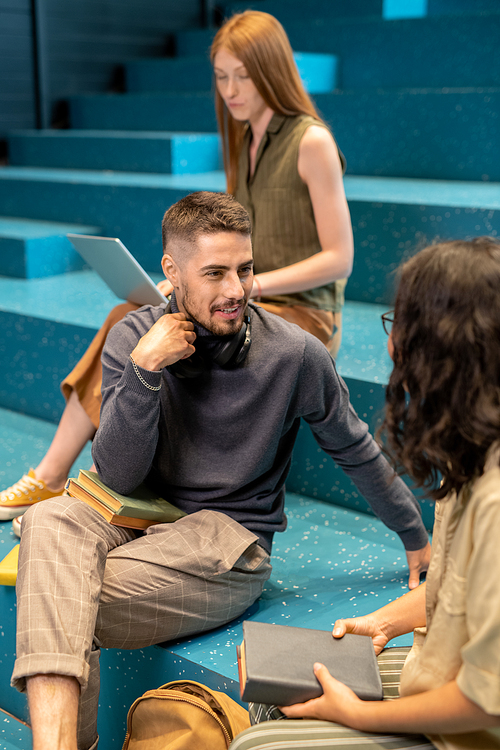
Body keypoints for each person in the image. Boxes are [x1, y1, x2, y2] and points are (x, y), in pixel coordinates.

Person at [12, 191, 429, 750]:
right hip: (137, 519)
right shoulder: (134, 340)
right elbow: (115, 473)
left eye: (245, 269)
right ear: (171, 270)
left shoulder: (296, 354)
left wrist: (413, 532)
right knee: (52, 518)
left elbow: (353, 446)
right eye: (214, 273)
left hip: (227, 543)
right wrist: (145, 373)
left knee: (54, 586)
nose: (236, 290)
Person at [0, 10, 354, 525]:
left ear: (273, 71)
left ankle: (69, 476)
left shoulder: (311, 141)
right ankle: (53, 474)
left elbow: (340, 258)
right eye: (221, 76)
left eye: (244, 76)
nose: (230, 90)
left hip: (301, 313)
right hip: (242, 298)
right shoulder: (244, 140)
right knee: (130, 314)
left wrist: (248, 285)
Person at [233, 237, 500, 750]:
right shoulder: (471, 449)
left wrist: (359, 715)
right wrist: (380, 622)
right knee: (278, 690)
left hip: (472, 724)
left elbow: (486, 697)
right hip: (444, 671)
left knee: (256, 746)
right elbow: (465, 587)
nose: (390, 343)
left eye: (400, 324)